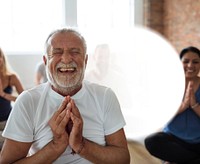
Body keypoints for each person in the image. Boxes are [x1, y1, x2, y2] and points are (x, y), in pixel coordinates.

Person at [0, 28, 130, 163]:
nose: (66, 59)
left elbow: (123, 159)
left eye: (75, 51)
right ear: (45, 61)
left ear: (85, 60)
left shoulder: (105, 96)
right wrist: (55, 146)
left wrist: (81, 145)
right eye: (57, 52)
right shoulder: (28, 101)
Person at [145, 46, 200, 164]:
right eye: (186, 61)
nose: (190, 65)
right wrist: (183, 106)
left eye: (195, 62)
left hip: (198, 142)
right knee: (151, 142)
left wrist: (194, 105)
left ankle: (175, 160)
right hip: (173, 139)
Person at [0, 47, 24, 130]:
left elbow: (24, 100)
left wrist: (3, 94)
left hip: (7, 121)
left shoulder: (12, 77)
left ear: (2, 59)